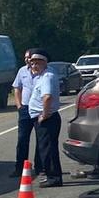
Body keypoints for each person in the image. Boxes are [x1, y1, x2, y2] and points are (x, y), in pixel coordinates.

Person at [27, 51, 63, 187]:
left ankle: (53, 177)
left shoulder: (47, 77)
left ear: (44, 63)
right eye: (32, 63)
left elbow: (47, 97)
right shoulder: (42, 76)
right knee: (46, 148)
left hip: (47, 118)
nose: (34, 66)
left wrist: (44, 114)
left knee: (48, 149)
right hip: (45, 117)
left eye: (37, 63)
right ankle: (51, 175)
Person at [10, 48, 40, 178]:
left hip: (39, 110)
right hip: (25, 109)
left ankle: (41, 168)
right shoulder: (22, 71)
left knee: (41, 140)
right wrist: (19, 105)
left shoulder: (42, 71)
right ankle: (19, 168)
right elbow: (17, 88)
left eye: (30, 57)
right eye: (26, 58)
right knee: (22, 139)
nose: (27, 60)